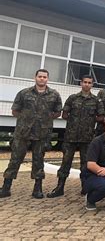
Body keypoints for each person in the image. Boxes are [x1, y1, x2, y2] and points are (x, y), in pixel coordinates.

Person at [0, 69, 62, 199]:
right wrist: (26, 119)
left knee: (38, 161)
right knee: (15, 160)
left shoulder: (54, 95)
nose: (42, 79)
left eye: (44, 77)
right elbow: (15, 111)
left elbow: (58, 112)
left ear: (47, 79)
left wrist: (45, 118)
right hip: (23, 133)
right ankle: (6, 187)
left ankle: (37, 189)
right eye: (40, 76)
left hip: (42, 134)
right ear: (35, 78)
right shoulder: (24, 93)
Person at [47, 75, 103, 198]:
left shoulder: (96, 100)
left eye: (89, 82)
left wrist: (90, 119)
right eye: (85, 82)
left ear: (92, 85)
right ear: (81, 83)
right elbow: (65, 114)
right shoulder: (72, 98)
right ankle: (60, 187)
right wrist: (75, 120)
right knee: (66, 162)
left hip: (87, 137)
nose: (87, 84)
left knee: (86, 163)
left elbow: (101, 117)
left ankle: (85, 187)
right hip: (70, 136)